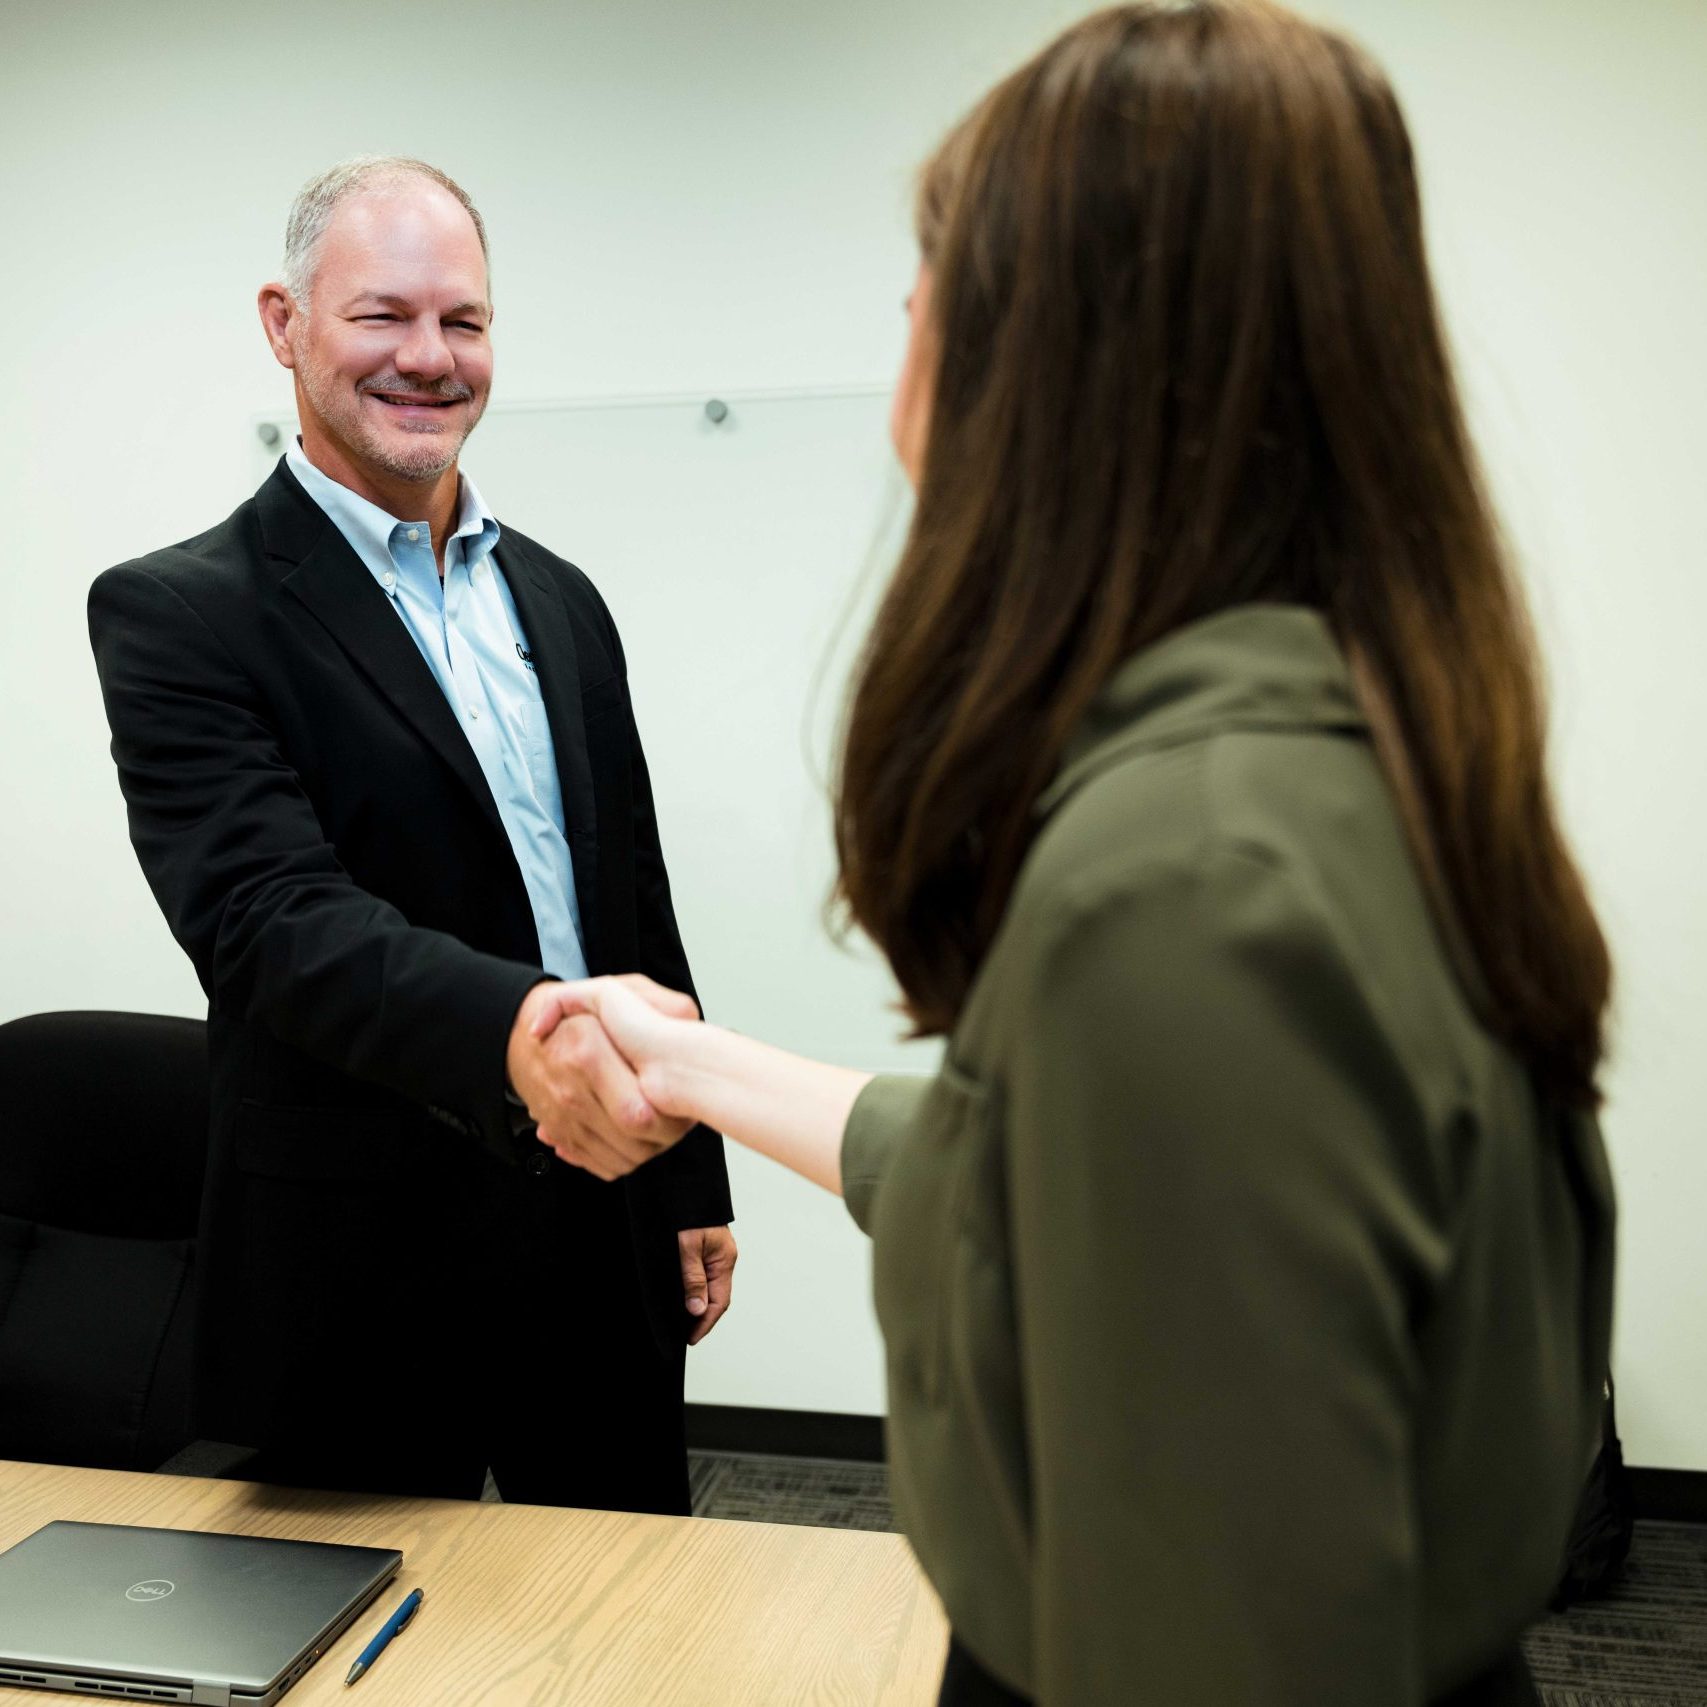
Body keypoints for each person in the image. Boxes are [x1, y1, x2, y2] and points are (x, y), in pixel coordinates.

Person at [525, 4, 1617, 1702]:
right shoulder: (1335, 753)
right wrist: (693, 1062)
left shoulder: (1184, 893)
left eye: (918, 311)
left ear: (1048, 372)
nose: (898, 378)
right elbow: (1011, 1175)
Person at [87, 156, 735, 1514]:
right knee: (361, 1652)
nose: (428, 359)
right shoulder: (180, 614)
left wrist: (689, 1163)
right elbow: (272, 923)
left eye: (465, 322)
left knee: (625, 1621)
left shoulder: (560, 601)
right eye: (383, 316)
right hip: (354, 1264)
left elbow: (633, 906)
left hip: (601, 1224)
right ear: (286, 324)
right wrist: (528, 1032)